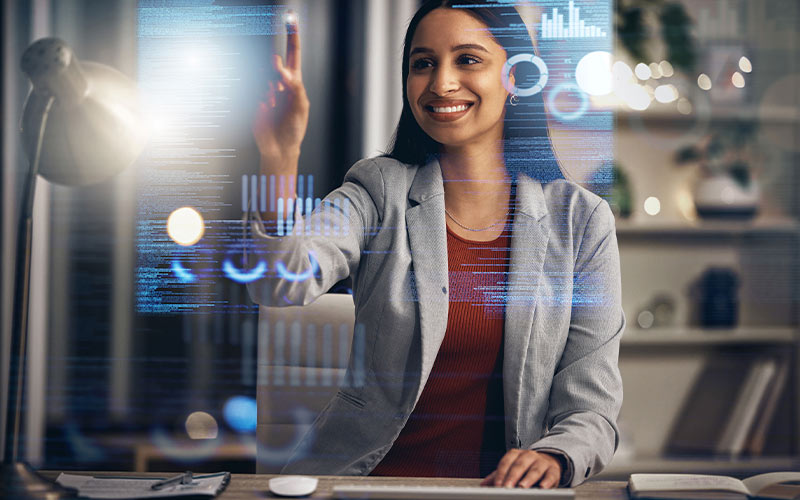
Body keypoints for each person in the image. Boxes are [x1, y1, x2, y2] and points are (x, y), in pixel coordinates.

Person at [247, 0, 624, 489]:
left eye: (467, 59)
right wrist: (280, 158)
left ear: (515, 77)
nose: (441, 82)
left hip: (500, 494)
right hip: (366, 485)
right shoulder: (378, 190)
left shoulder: (581, 221)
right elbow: (276, 283)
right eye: (423, 63)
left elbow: (591, 408)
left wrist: (555, 457)